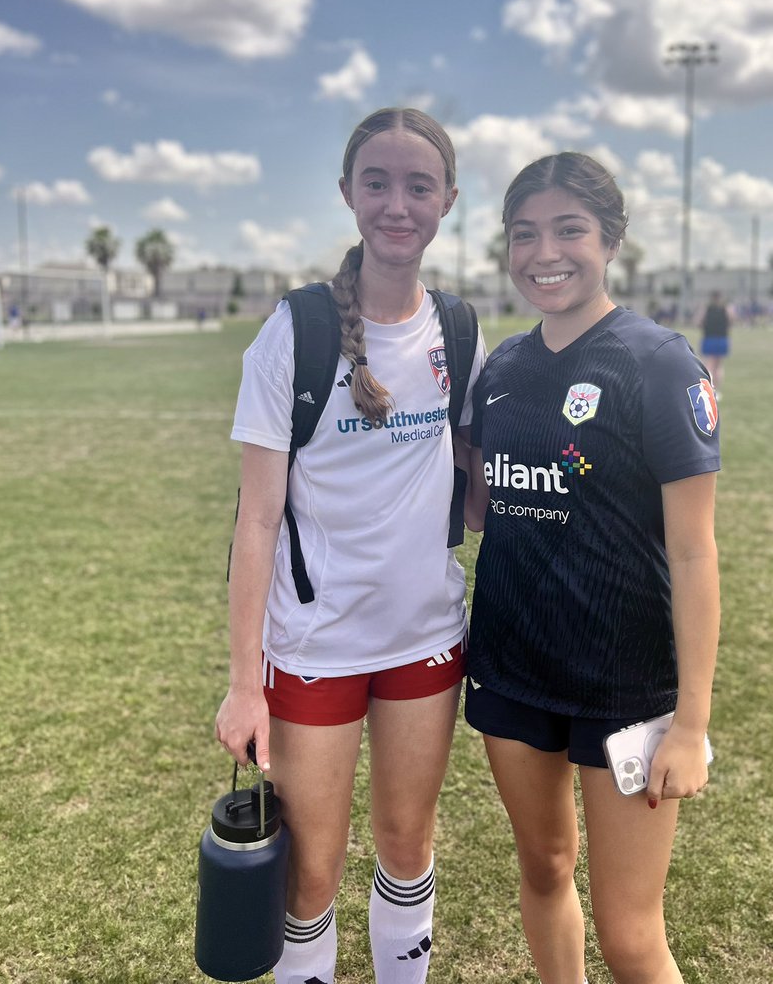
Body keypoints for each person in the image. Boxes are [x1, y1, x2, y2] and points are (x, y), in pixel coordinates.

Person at [215, 108, 485, 984]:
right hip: (316, 649)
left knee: (407, 845)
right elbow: (256, 521)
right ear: (348, 194)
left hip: (425, 642)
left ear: (448, 198)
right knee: (313, 871)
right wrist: (242, 685)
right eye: (378, 182)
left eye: (419, 185)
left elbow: (475, 496)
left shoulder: (460, 330)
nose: (397, 204)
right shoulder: (293, 334)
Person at [459, 153, 720, 984]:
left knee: (632, 934)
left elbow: (693, 550)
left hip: (625, 687)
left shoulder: (658, 363)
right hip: (511, 669)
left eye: (569, 229)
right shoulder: (500, 369)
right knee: (543, 869)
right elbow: (482, 505)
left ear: (609, 239)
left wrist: (690, 723)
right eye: (524, 233)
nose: (547, 251)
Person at [698, 291, 732, 395]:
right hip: (722, 338)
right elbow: (731, 320)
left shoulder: (707, 309)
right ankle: (717, 391)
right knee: (718, 366)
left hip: (709, 338)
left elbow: (698, 321)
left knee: (708, 365)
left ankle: (709, 390)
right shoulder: (726, 308)